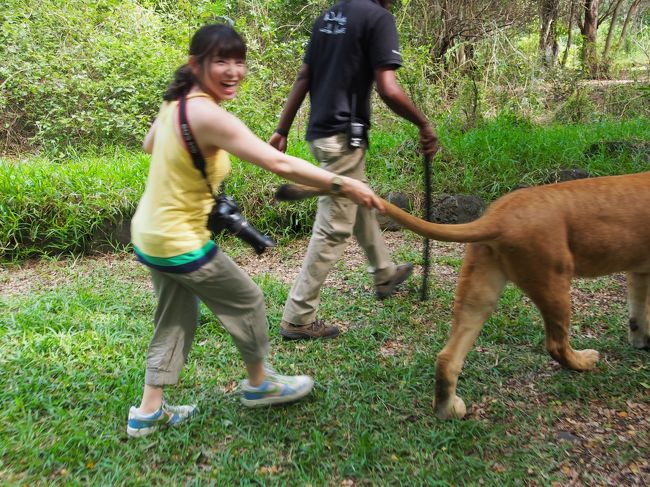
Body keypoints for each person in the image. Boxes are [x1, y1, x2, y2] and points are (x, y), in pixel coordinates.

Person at [126, 23, 383, 438]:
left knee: (174, 318)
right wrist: (345, 182)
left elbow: (150, 144)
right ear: (196, 65)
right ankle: (260, 382)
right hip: (179, 241)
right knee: (247, 299)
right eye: (220, 61)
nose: (233, 71)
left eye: (239, 61)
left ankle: (148, 411)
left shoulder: (177, 102)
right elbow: (278, 163)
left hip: (149, 234)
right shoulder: (207, 114)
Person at [269, 0, 439, 340]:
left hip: (321, 133)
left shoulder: (328, 15)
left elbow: (305, 75)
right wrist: (423, 124)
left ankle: (384, 273)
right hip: (343, 136)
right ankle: (298, 317)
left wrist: (282, 129)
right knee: (333, 227)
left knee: (360, 199)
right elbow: (388, 88)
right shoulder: (378, 17)